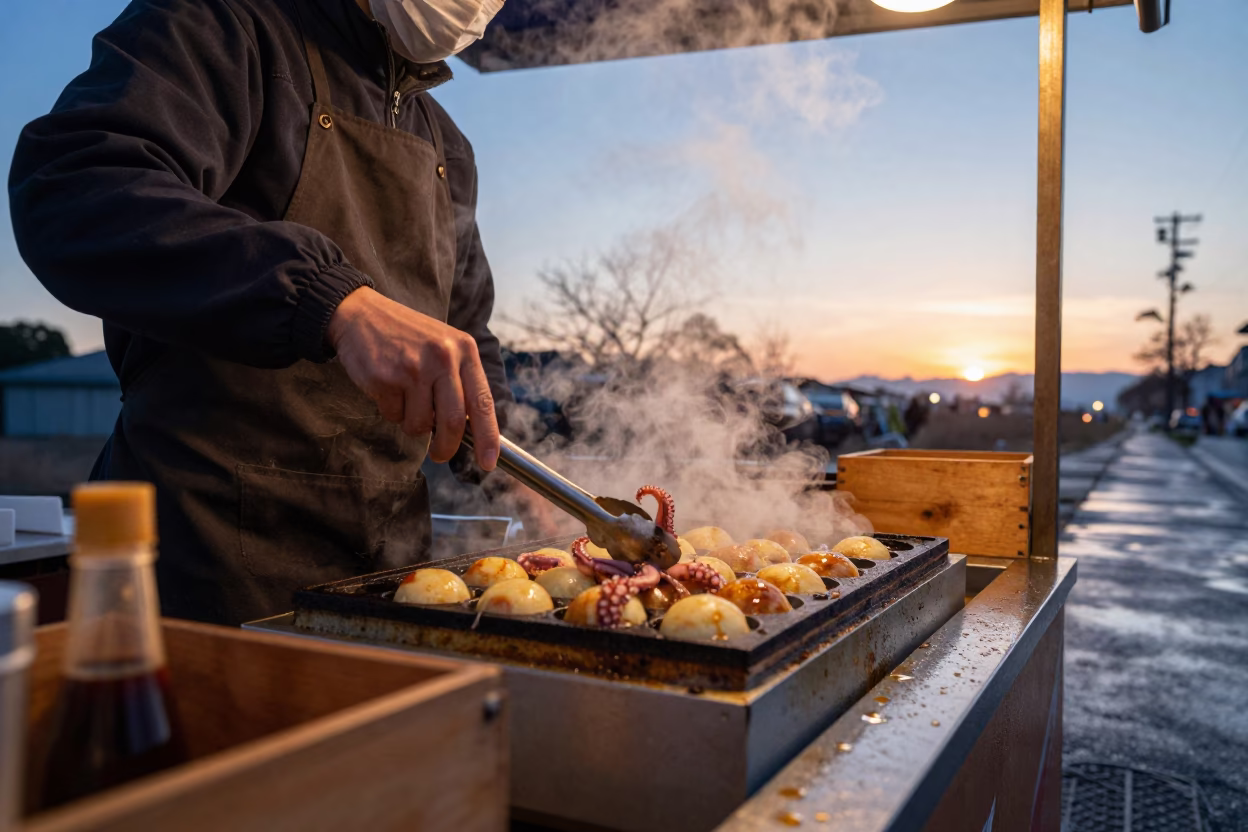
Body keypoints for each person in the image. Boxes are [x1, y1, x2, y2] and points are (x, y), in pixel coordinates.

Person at [9, 0, 511, 625]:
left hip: (389, 573)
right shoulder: (223, 25)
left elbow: (467, 344)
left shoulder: (449, 149)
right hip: (202, 558)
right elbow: (73, 186)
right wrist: (332, 301)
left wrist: (519, 480)